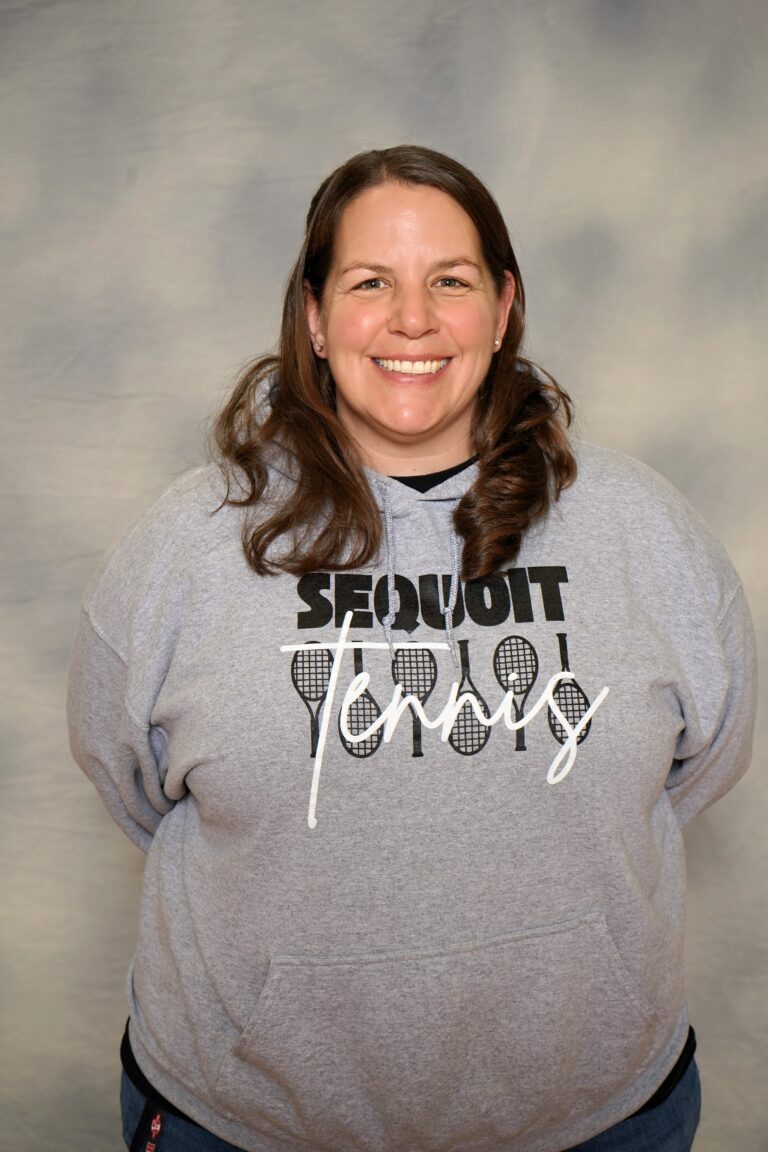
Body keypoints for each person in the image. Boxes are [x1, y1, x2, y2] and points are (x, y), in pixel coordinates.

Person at [67, 145, 757, 1152]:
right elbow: (126, 775)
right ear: (314, 314)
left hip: (596, 1118)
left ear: (504, 307)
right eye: (370, 283)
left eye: (451, 281)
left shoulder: (643, 531)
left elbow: (707, 757)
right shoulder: (186, 548)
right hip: (248, 1123)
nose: (413, 320)